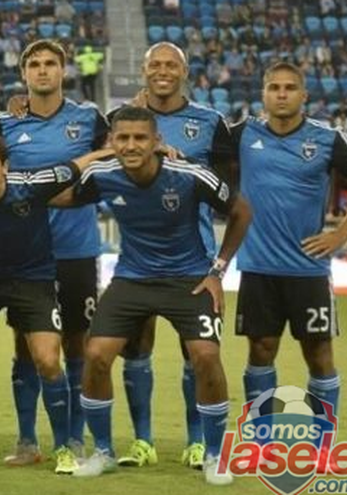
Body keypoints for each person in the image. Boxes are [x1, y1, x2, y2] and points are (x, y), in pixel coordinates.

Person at [68, 106, 252, 485]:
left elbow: (242, 212)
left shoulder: (190, 174)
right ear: (111, 142)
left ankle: (216, 455)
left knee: (205, 355)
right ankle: (102, 450)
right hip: (132, 278)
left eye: (140, 138)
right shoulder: (102, 175)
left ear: (157, 141)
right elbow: (59, 195)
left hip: (189, 278)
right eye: (122, 138)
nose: (131, 145)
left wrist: (218, 270)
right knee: (97, 355)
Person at [0, 131, 114, 474]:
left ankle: (63, 448)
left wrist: (116, 151)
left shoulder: (33, 183)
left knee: (48, 360)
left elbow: (81, 163)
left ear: (5, 165)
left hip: (34, 281)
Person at [108, 42, 237, 470]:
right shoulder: (118, 121)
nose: (163, 71)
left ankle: (197, 442)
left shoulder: (210, 123)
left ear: (185, 72)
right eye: (155, 65)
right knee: (136, 347)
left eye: (171, 65)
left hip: (192, 260)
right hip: (136, 260)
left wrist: (219, 266)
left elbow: (230, 195)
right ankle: (142, 442)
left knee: (197, 354)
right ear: (144, 71)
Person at [233, 62, 347, 416]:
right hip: (258, 266)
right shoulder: (240, 134)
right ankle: (262, 440)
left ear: (304, 95)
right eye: (274, 87)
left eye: (289, 87)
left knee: (318, 353)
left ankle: (322, 442)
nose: (281, 94)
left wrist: (341, 234)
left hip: (308, 270)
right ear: (263, 94)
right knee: (261, 349)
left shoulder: (328, 139)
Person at [0, 39, 109, 465]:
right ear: (24, 74)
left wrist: (50, 197)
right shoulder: (5, 124)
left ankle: (74, 438)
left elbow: (109, 165)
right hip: (26, 256)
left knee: (77, 344)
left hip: (77, 251)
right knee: (26, 346)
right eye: (34, 65)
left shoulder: (89, 118)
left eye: (50, 64)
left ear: (64, 71)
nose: (42, 71)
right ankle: (27, 441)